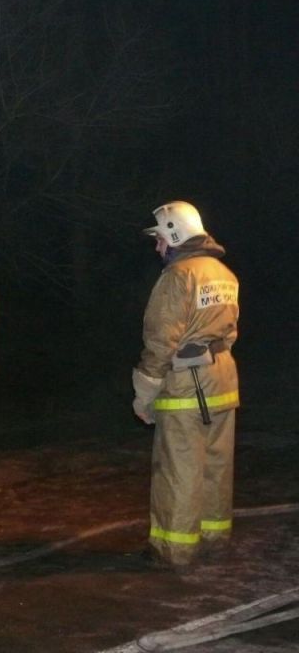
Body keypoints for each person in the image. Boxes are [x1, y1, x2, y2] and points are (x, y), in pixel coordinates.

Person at [132, 201, 240, 568]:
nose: (158, 247)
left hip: (185, 387)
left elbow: (160, 341)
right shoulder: (223, 273)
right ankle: (214, 540)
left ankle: (172, 550)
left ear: (176, 236)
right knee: (216, 466)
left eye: (161, 239)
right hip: (223, 382)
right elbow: (230, 331)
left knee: (178, 469)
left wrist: (144, 394)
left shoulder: (178, 277)